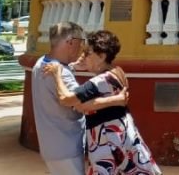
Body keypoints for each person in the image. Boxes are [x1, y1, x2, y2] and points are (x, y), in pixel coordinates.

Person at [44, 31, 161, 175]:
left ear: (101, 56)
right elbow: (88, 105)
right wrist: (114, 100)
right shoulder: (118, 72)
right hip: (123, 135)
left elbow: (65, 99)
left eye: (88, 53)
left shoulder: (98, 82)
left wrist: (57, 74)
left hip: (107, 139)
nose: (83, 56)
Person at [32, 22, 127, 175]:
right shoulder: (61, 73)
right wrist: (118, 100)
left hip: (53, 144)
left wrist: (72, 67)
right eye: (81, 42)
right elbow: (81, 105)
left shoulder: (41, 63)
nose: (82, 48)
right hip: (67, 146)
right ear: (71, 42)